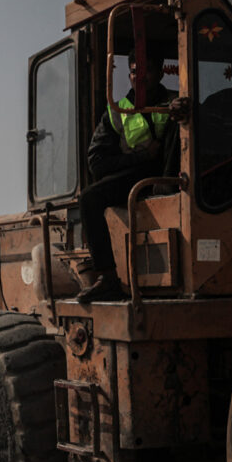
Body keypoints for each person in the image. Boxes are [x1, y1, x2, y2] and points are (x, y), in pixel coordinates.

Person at [76, 49, 181, 303]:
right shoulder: (117, 110)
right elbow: (96, 162)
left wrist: (182, 112)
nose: (139, 77)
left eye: (147, 71)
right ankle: (108, 277)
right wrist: (141, 157)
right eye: (134, 72)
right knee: (89, 199)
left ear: (159, 73)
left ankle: (168, 192)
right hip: (137, 172)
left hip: (174, 174)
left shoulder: (175, 102)